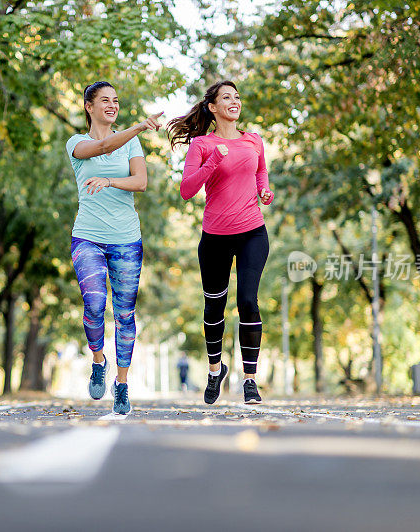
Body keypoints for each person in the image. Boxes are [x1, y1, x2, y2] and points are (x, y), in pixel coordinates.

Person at [167, 80, 274, 405]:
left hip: (252, 232)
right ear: (212, 107)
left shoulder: (253, 140)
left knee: (247, 301)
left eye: (237, 96)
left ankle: (250, 381)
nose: (234, 101)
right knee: (214, 307)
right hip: (214, 237)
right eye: (226, 97)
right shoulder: (202, 144)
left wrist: (264, 191)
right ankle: (216, 370)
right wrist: (213, 161)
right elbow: (186, 190)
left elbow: (260, 173)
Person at [65, 81, 162, 415]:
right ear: (88, 106)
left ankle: (121, 385)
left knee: (124, 314)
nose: (112, 105)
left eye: (116, 100)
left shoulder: (131, 143)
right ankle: (98, 360)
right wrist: (139, 126)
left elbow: (141, 182)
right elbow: (103, 147)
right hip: (87, 236)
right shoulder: (76, 142)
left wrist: (109, 181)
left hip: (126, 238)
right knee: (93, 304)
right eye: (104, 100)